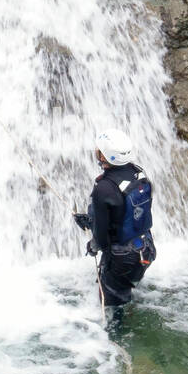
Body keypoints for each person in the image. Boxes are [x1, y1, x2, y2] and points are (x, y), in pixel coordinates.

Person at [73, 127, 156, 329]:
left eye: (98, 149)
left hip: (122, 257)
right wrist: (90, 221)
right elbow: (126, 211)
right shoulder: (138, 173)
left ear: (104, 155)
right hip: (145, 247)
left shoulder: (104, 188)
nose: (95, 151)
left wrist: (94, 245)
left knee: (111, 307)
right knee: (123, 288)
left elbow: (101, 238)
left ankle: (116, 344)